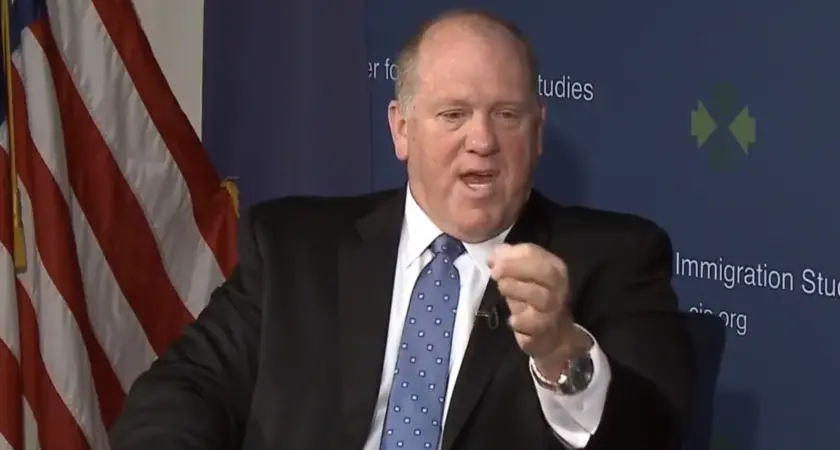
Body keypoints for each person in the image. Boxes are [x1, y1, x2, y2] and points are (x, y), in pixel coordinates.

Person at [110, 8, 694, 450]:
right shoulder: (293, 247)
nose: (482, 140)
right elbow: (181, 390)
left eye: (507, 115)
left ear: (538, 133)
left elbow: (653, 434)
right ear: (402, 130)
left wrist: (563, 355)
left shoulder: (616, 258)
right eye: (453, 115)